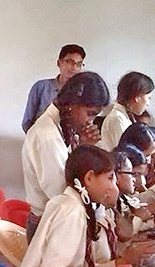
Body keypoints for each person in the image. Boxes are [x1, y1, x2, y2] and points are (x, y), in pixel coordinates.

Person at [22, 71, 110, 241]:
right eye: (90, 113)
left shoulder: (64, 127)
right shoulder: (46, 135)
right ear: (71, 104)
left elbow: (71, 172)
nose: (90, 122)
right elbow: (61, 192)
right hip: (49, 225)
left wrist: (85, 147)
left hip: (61, 218)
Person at [21, 44, 86, 132]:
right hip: (41, 139)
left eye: (79, 64)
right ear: (59, 63)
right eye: (69, 62)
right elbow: (27, 122)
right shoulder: (41, 87)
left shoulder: (83, 92)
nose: (74, 67)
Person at [98, 71, 154, 151]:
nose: (148, 103)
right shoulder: (117, 118)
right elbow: (126, 153)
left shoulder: (126, 117)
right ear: (137, 97)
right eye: (149, 98)